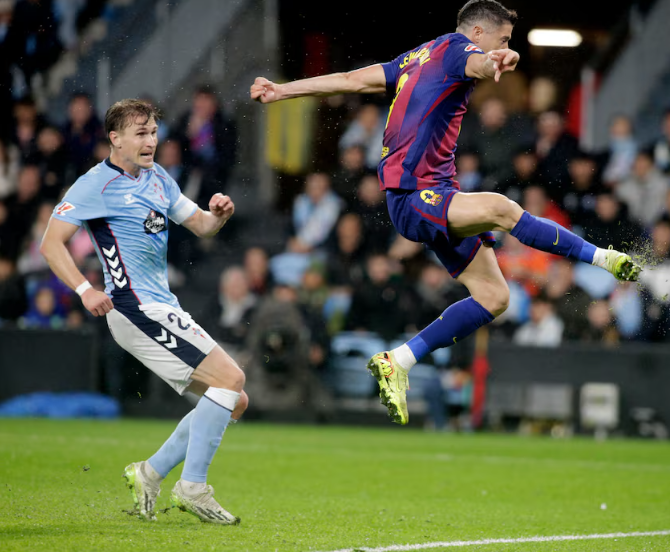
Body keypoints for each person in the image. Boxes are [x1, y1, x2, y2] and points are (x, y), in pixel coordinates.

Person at [250, 0, 641, 425]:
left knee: (494, 297)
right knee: (502, 208)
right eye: (504, 38)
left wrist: (283, 91)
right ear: (478, 32)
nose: (505, 45)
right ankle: (603, 258)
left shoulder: (418, 56)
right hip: (415, 196)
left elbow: (350, 80)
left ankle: (399, 360)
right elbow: (478, 62)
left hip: (431, 198)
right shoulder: (459, 50)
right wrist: (495, 61)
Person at [39, 100, 245, 524]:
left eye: (153, 132)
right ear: (115, 139)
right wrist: (84, 290)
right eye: (141, 133)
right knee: (231, 379)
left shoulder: (159, 178)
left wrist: (218, 216)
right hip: (133, 307)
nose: (151, 141)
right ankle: (193, 487)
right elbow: (50, 243)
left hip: (161, 305)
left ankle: (150, 472)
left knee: (233, 400)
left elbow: (201, 225)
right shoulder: (94, 184)